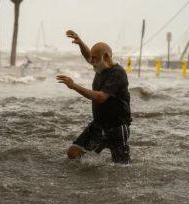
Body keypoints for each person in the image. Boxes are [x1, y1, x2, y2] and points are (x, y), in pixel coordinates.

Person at [56, 30, 132, 164]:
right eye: (91, 58)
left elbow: (100, 97)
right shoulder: (100, 66)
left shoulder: (117, 73)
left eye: (95, 58)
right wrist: (80, 43)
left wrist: (74, 86)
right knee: (73, 153)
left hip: (117, 127)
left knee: (120, 168)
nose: (91, 61)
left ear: (107, 57)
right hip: (99, 125)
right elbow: (89, 56)